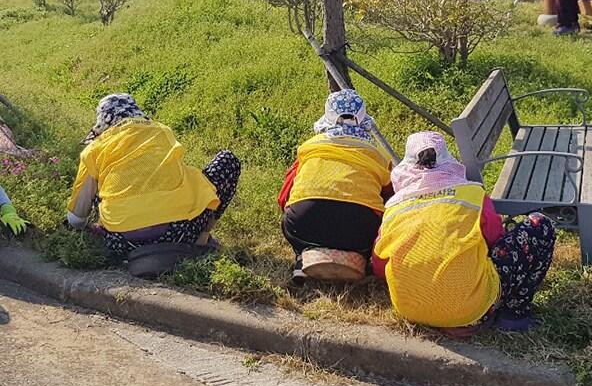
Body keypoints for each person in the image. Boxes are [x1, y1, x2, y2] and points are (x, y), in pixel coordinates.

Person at [372, 131, 555, 333]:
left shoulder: (394, 210)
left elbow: (380, 267)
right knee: (541, 225)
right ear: (447, 159)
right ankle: (514, 315)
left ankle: (441, 310)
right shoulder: (472, 195)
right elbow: (495, 241)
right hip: (473, 309)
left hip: (410, 311)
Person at [67, 94, 241, 258]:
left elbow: (76, 219)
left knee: (100, 184)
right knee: (227, 160)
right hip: (179, 231)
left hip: (121, 241)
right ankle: (201, 242)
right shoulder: (162, 132)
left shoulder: (94, 150)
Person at [277, 90, 394, 284]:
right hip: (359, 231)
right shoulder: (379, 153)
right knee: (371, 230)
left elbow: (284, 196)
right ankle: (360, 257)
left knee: (295, 227)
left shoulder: (309, 147)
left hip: (303, 223)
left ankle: (302, 256)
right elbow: (390, 196)